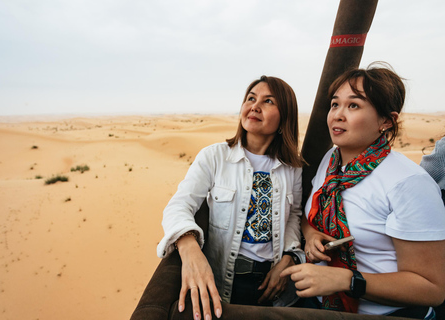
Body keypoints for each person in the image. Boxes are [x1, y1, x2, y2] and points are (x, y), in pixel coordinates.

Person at [281, 63, 445, 318]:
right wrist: (312, 236)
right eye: (335, 104)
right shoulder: (332, 161)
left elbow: (431, 288)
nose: (337, 114)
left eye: (353, 105)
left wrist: (347, 280)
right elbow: (309, 216)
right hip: (323, 307)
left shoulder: (408, 183)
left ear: (386, 121)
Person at [157, 75, 305, 320]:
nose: (255, 106)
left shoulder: (292, 167)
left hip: (273, 283)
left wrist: (289, 257)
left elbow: (294, 216)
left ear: (284, 119)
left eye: (268, 101)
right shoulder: (214, 157)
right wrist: (188, 245)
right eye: (251, 98)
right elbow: (179, 205)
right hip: (227, 280)